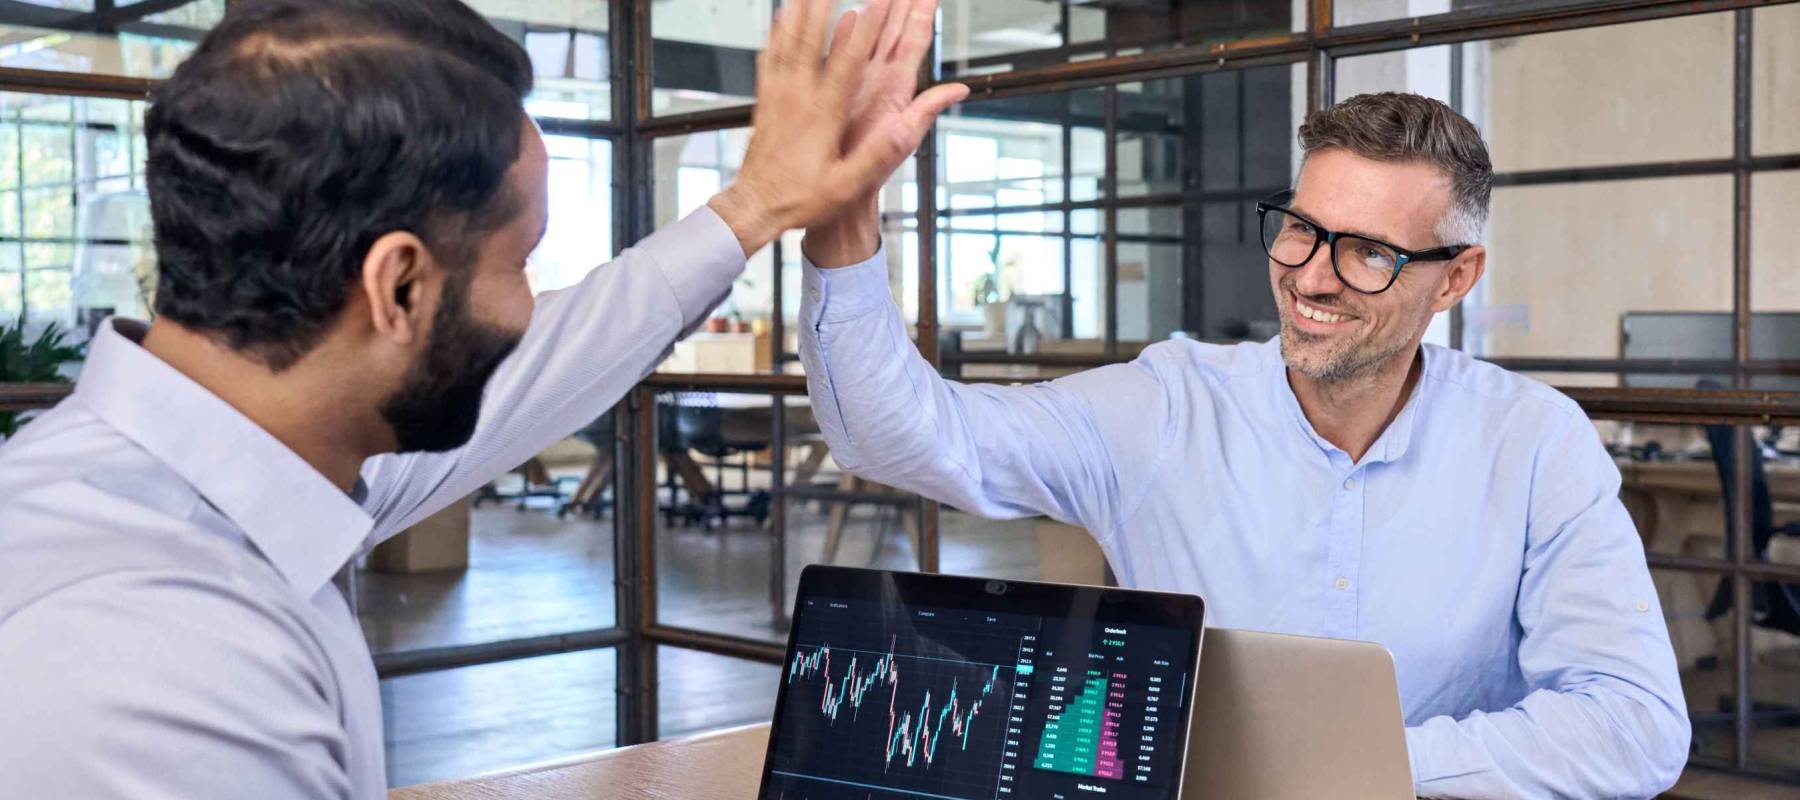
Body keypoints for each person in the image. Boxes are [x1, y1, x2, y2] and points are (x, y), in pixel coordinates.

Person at [0, 0, 966, 796]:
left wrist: (757, 205)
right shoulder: (157, 663)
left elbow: (554, 359)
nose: (526, 309)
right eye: (522, 264)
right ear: (399, 286)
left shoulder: (229, 472)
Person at [797, 92, 1690, 798]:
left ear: (1455, 279)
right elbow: (900, 437)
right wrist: (844, 226)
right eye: (1302, 227)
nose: (1309, 275)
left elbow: (1636, 724)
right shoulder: (1168, 407)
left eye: (1367, 253)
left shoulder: (1535, 442)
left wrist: (1361, 772)